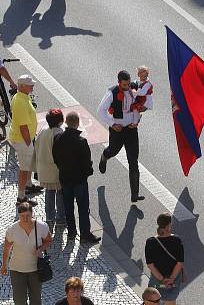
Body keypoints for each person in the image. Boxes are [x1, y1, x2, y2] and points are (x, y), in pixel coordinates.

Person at [1, 201, 52, 305]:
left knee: (36, 299)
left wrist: (41, 249)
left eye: (28, 215)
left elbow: (48, 240)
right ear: (18, 216)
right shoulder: (12, 229)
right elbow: (7, 248)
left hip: (35, 269)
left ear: (32, 214)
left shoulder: (41, 226)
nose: (25, 219)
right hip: (17, 269)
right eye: (23, 216)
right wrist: (4, 265)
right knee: (18, 298)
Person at [52, 111, 101, 242]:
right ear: (78, 123)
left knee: (68, 207)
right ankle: (85, 234)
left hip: (65, 178)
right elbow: (86, 162)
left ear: (66, 122)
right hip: (79, 180)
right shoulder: (81, 141)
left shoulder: (58, 138)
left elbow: (55, 157)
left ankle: (71, 232)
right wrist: (88, 172)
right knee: (83, 208)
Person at [97, 70, 146, 202]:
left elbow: (144, 102)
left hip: (131, 130)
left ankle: (134, 194)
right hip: (117, 130)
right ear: (119, 83)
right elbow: (101, 110)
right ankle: (104, 156)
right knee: (113, 150)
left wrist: (137, 120)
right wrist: (112, 124)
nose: (127, 87)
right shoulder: (112, 93)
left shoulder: (134, 89)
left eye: (128, 84)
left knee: (133, 161)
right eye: (124, 85)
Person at [145, 213, 184, 305]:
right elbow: (179, 263)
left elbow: (150, 265)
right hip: (173, 280)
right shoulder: (177, 240)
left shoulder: (150, 242)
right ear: (169, 225)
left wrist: (162, 280)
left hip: (157, 280)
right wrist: (170, 279)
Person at [10, 75, 39, 200]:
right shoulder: (21, 102)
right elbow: (23, 126)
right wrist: (28, 143)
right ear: (22, 86)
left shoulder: (21, 96)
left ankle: (28, 185)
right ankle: (21, 197)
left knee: (27, 165)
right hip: (23, 140)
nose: (32, 86)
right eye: (29, 84)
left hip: (25, 139)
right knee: (24, 169)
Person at [35, 109, 66, 227]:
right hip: (57, 170)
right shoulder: (60, 134)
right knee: (60, 193)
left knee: (49, 192)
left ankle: (49, 218)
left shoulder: (43, 131)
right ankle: (60, 219)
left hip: (44, 169)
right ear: (60, 121)